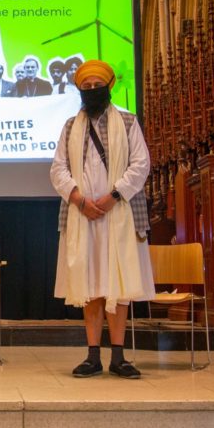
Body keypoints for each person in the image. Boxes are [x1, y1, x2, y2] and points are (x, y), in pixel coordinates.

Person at [50, 59, 154, 379]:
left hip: (118, 214)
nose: (92, 91)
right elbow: (58, 169)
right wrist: (80, 199)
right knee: (90, 284)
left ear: (109, 87)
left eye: (98, 86)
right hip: (83, 217)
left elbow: (141, 164)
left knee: (118, 286)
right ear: (80, 90)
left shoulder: (127, 121)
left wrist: (112, 197)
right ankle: (93, 355)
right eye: (87, 87)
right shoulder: (70, 126)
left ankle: (119, 357)